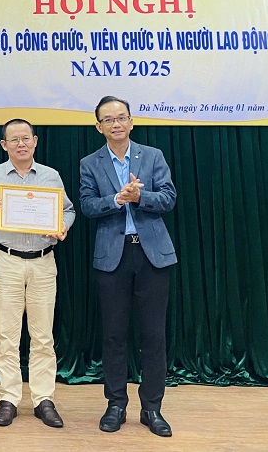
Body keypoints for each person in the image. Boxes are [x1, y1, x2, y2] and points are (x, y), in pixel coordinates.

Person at [79, 96, 177, 437]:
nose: (116, 124)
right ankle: (116, 404)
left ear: (131, 122)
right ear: (99, 127)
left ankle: (152, 408)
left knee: (154, 335)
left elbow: (169, 198)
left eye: (121, 117)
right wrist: (116, 200)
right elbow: (87, 206)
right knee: (113, 335)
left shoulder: (153, 156)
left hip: (152, 255)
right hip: (113, 256)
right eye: (108, 119)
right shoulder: (89, 163)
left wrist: (140, 197)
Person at [0, 118, 75, 428]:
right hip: (7, 260)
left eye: (25, 138)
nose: (21, 144)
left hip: (43, 261)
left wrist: (62, 226)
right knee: (6, 334)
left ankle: (44, 399)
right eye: (14, 139)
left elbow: (67, 210)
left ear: (35, 141)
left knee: (43, 335)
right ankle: (9, 398)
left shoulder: (50, 176)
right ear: (4, 145)